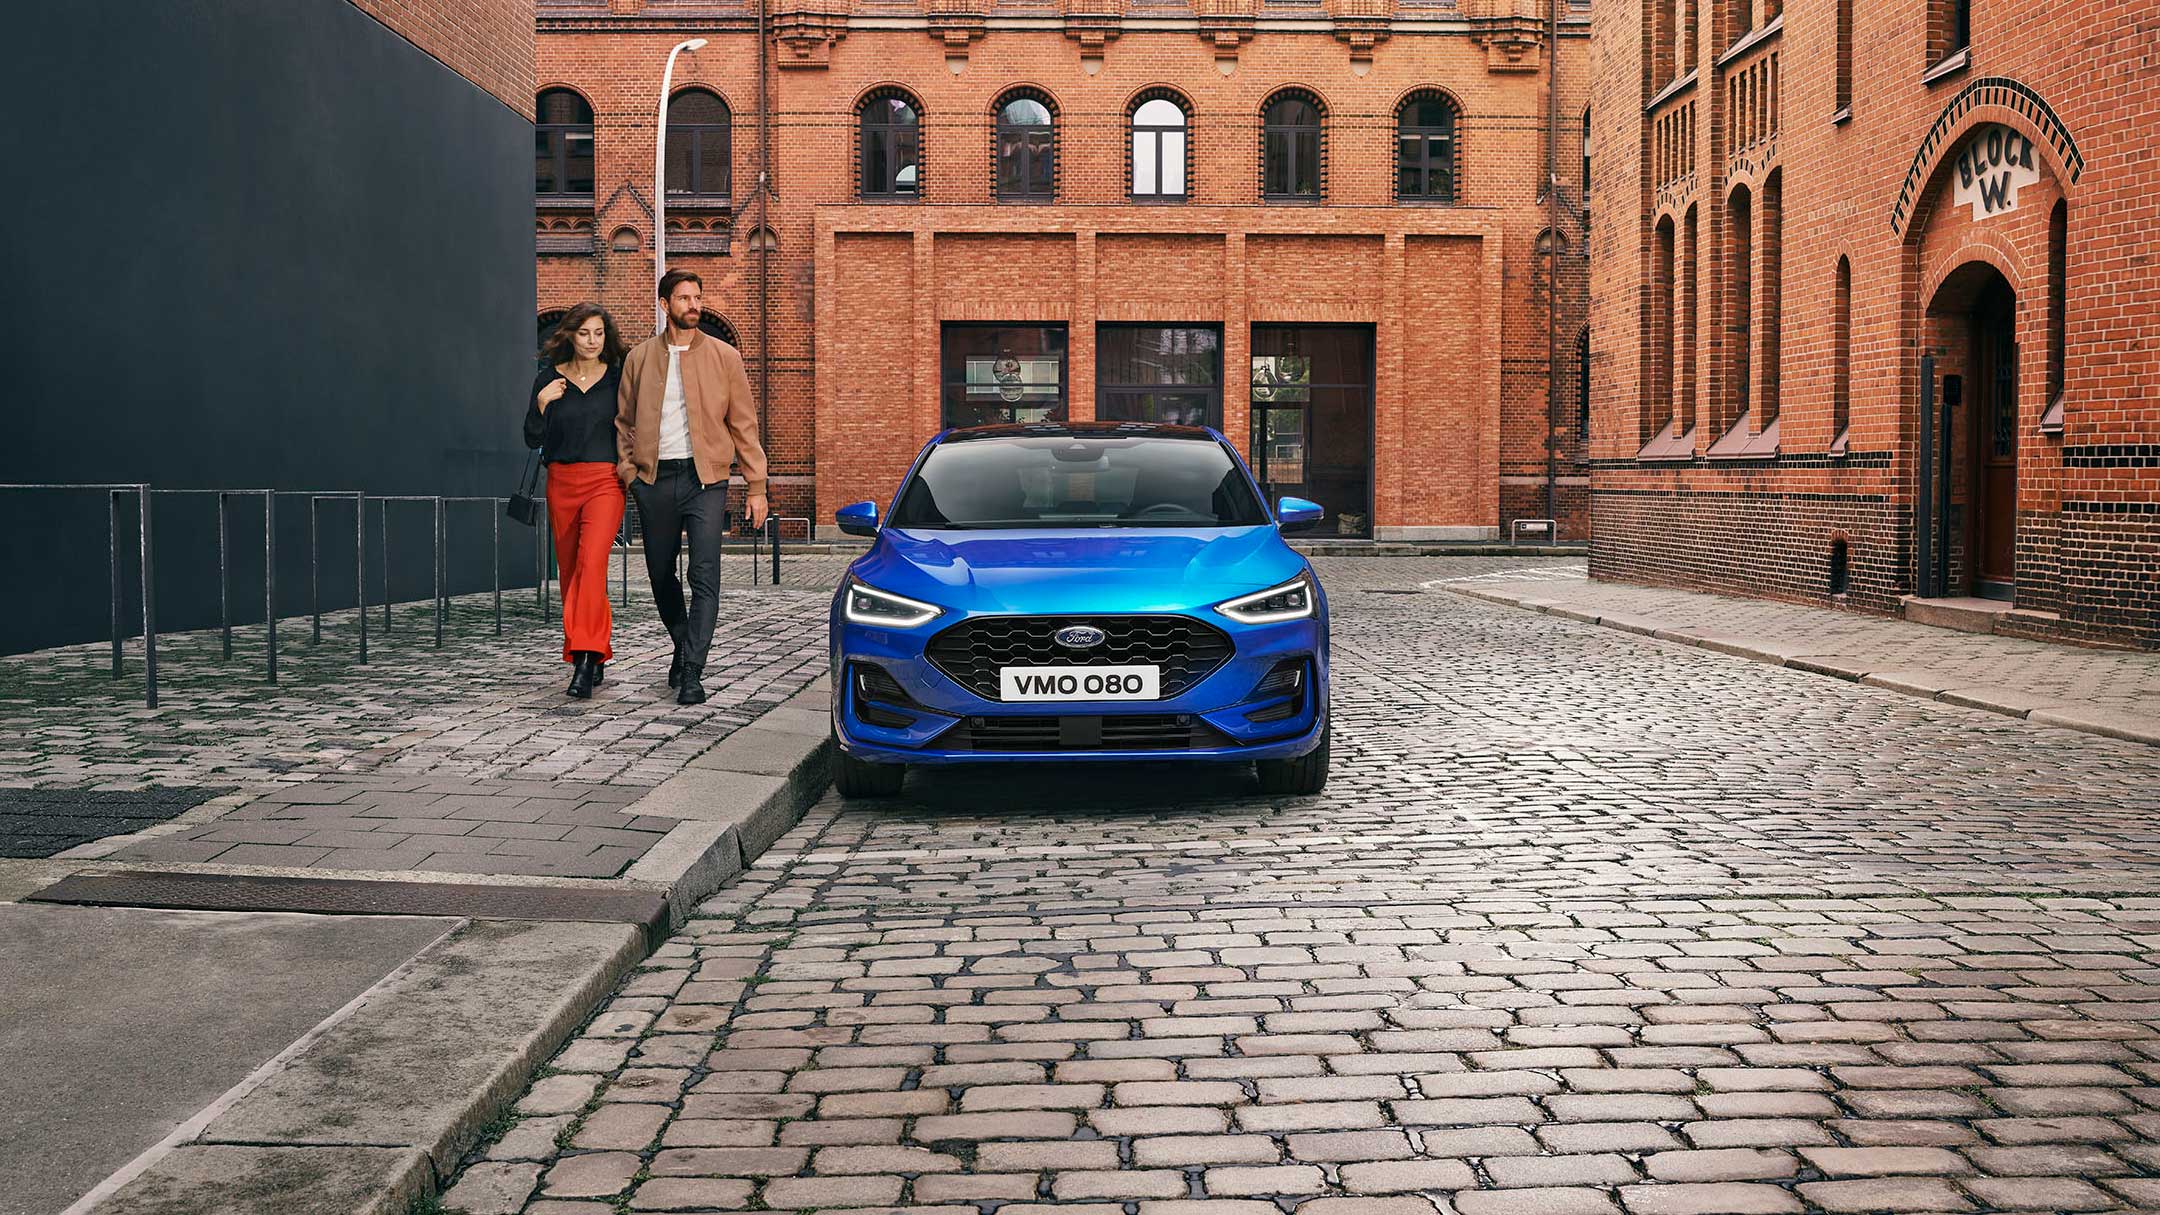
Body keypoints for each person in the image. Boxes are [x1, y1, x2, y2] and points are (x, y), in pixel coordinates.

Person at [615, 270, 768, 705]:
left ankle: (693, 670)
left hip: (707, 481)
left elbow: (744, 424)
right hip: (654, 480)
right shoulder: (639, 359)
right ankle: (682, 645)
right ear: (665, 305)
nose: (693, 305)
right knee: (661, 575)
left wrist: (756, 485)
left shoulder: (725, 357)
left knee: (704, 575)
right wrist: (631, 474)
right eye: (683, 298)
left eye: (697, 297)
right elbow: (623, 423)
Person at [526, 304, 628, 699]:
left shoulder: (618, 381)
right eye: (584, 333)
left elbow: (633, 428)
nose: (592, 341)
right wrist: (541, 405)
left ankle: (584, 659)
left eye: (599, 333)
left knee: (591, 563)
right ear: (570, 335)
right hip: (562, 482)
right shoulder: (548, 380)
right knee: (571, 572)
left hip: (604, 481)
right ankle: (597, 649)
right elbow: (531, 438)